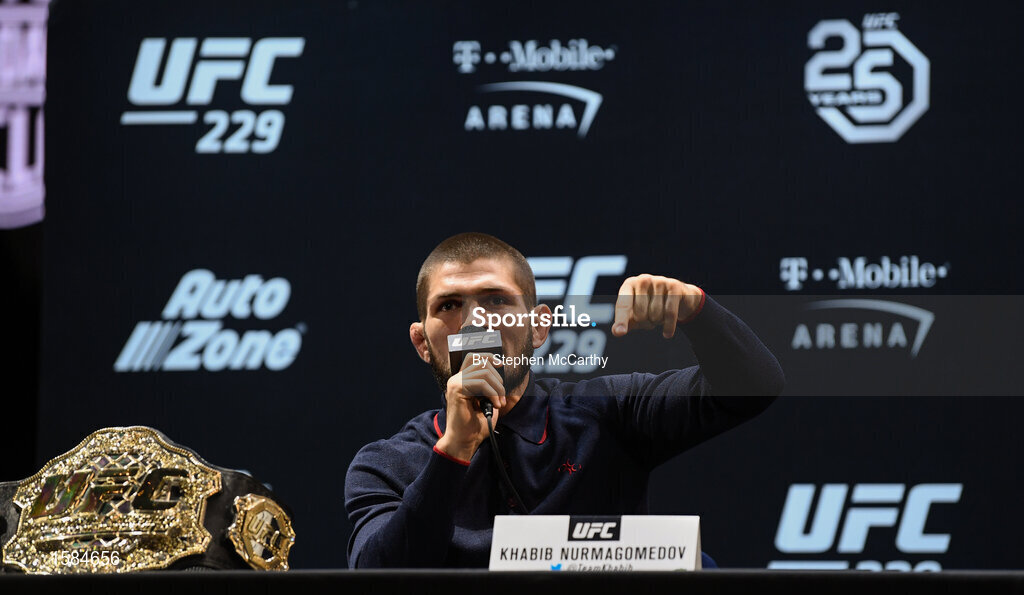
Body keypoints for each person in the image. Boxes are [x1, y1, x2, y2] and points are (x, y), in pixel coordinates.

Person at [344, 232, 784, 568]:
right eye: (450, 306)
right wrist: (452, 453)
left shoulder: (607, 410)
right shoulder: (384, 465)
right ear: (422, 342)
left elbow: (755, 386)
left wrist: (698, 313)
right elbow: (378, 576)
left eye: (497, 300)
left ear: (539, 328)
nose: (476, 320)